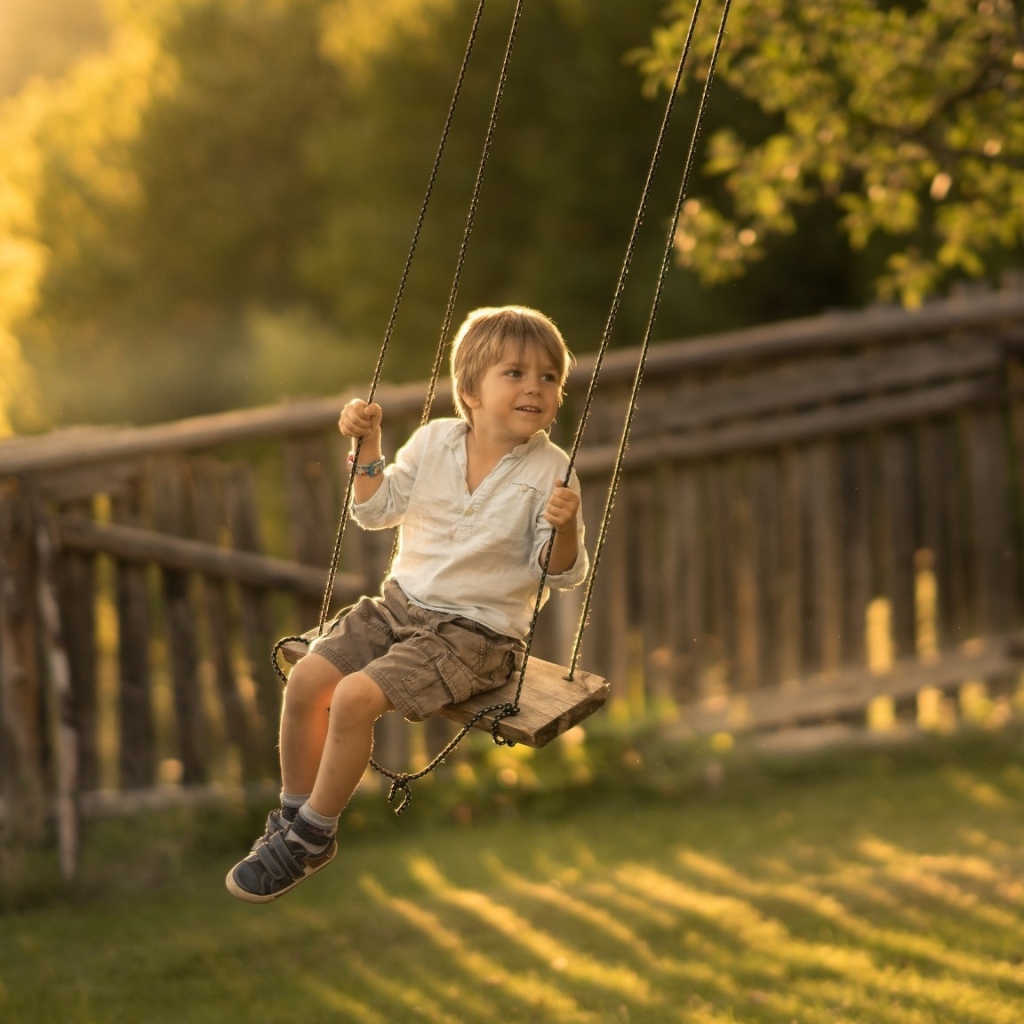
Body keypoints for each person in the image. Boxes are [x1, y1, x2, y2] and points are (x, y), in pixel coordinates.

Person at [226, 305, 589, 903]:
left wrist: (567, 527)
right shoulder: (434, 441)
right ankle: (293, 820)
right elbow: (373, 510)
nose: (535, 387)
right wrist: (367, 443)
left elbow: (561, 574)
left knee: (352, 698)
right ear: (469, 390)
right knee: (307, 679)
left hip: (476, 636)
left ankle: (316, 834)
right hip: (398, 607)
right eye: (516, 373)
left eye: (549, 377)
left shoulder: (553, 472)